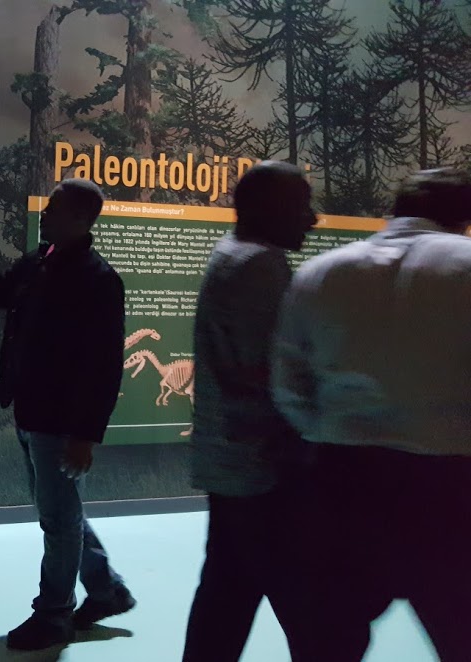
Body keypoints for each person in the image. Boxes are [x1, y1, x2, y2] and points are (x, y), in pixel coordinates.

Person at [272, 168, 471, 661]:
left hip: (342, 479)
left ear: (395, 211)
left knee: (330, 642)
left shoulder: (321, 272)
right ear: (462, 216)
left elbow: (288, 384)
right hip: (449, 483)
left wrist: (327, 434)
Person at [0, 178, 133, 651]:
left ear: (81, 219)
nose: (44, 214)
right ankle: (105, 591)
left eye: (54, 209)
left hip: (61, 421)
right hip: (31, 410)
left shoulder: (99, 280)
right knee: (61, 512)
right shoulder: (40, 261)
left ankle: (53, 616)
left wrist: (85, 435)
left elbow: (105, 366)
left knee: (59, 519)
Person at [181, 161, 317, 661]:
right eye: (302, 206)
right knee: (310, 611)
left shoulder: (231, 254)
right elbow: (265, 374)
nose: (313, 219)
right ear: (271, 209)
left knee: (227, 595)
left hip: (232, 463)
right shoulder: (261, 264)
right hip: (262, 469)